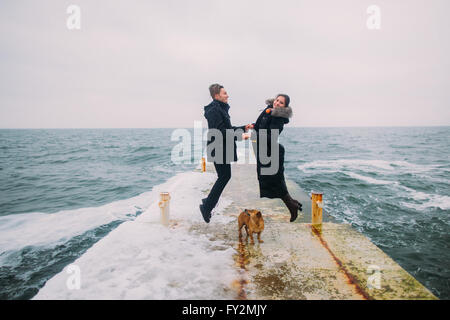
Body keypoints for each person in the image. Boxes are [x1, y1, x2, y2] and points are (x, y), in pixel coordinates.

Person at [200, 84, 251, 223]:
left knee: (224, 176)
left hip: (222, 148)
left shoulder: (220, 108)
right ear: (217, 96)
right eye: (224, 93)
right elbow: (220, 132)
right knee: (224, 176)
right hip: (218, 148)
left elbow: (227, 128)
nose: (227, 95)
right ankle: (206, 207)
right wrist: (241, 136)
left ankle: (208, 202)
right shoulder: (214, 110)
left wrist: (243, 128)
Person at [251, 94, 302, 222]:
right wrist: (252, 128)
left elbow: (272, 137)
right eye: (277, 100)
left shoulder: (279, 117)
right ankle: (293, 202)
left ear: (284, 106)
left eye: (281, 103)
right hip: (265, 151)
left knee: (276, 181)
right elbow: (258, 126)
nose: (277, 103)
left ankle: (292, 206)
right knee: (274, 181)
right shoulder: (268, 110)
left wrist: (257, 136)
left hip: (271, 152)